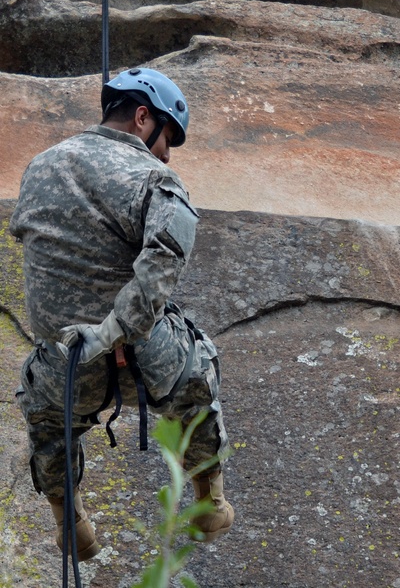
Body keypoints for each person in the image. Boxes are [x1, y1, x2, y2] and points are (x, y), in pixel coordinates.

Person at [11, 68, 234, 560]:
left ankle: (69, 521)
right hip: (142, 356)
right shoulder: (152, 176)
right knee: (199, 367)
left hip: (65, 366)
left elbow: (29, 238)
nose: (168, 153)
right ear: (141, 117)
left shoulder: (39, 165)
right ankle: (209, 500)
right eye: (167, 138)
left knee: (45, 413)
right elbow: (165, 256)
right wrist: (112, 329)